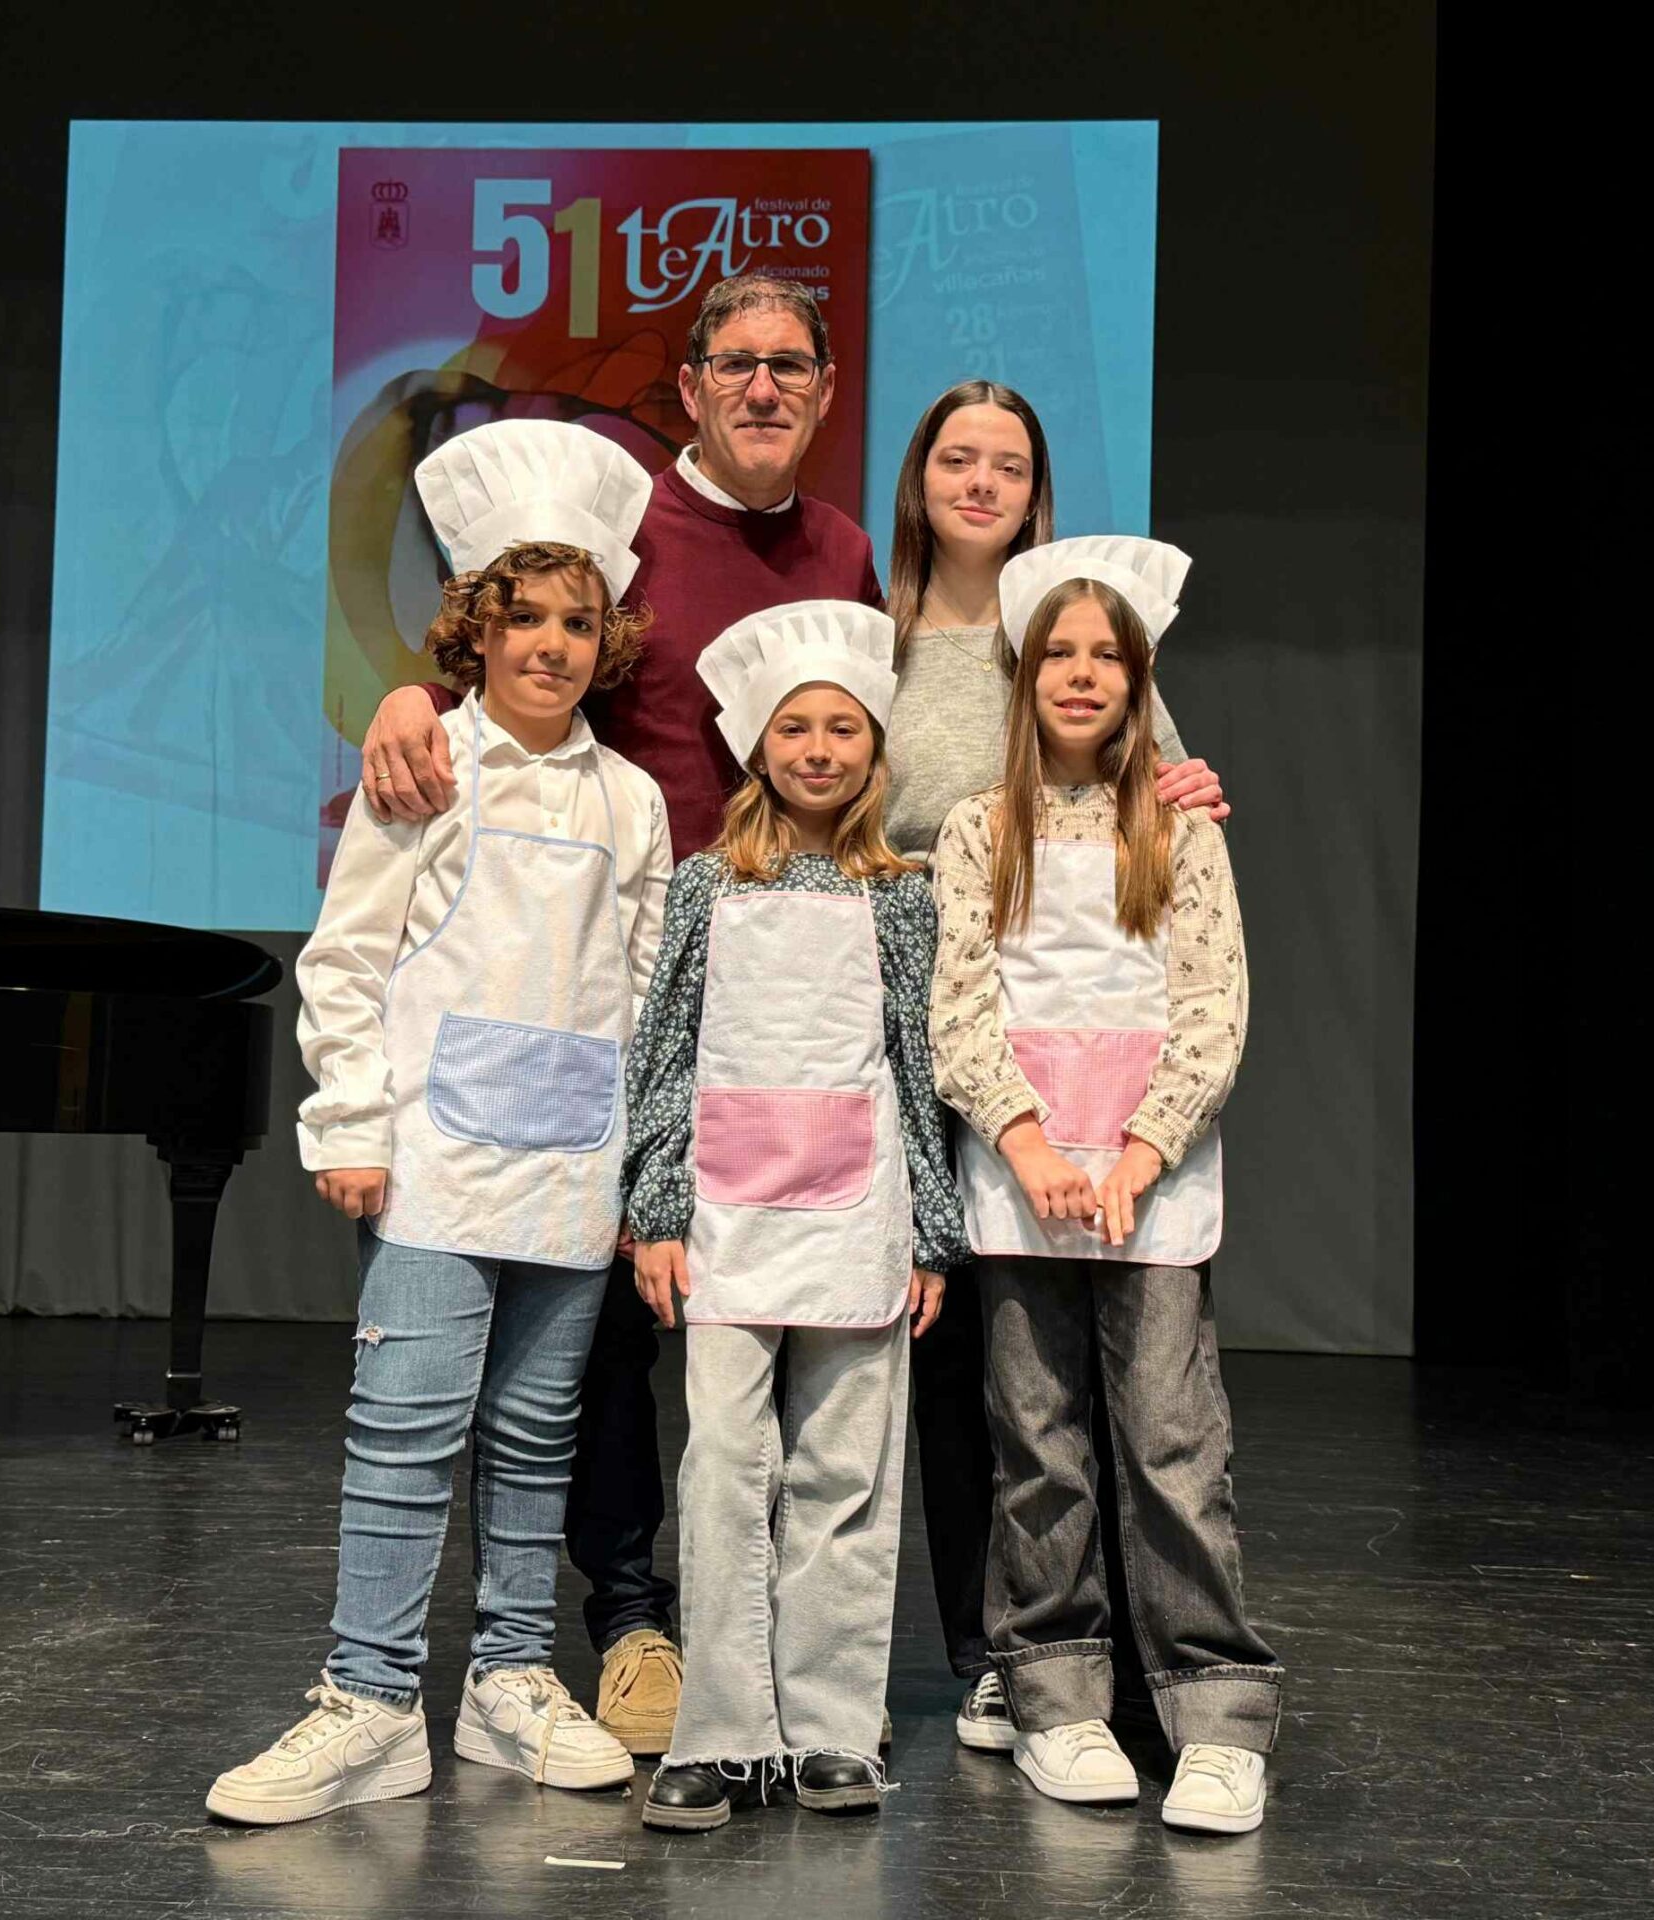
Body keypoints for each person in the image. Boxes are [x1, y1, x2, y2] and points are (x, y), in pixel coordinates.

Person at [354, 274, 887, 1755]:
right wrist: (409, 698)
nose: (764, 387)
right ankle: (631, 1615)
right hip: (625, 976)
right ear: (693, 386)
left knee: (765, 1312)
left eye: (792, 365)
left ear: (824, 390)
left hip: (792, 988)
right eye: (737, 363)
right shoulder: (629, 522)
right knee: (602, 1330)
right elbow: (517, 638)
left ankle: (760, 1628)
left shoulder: (846, 552)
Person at [205, 421, 673, 1824]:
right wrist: (350, 1122)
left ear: (606, 638)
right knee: (405, 1432)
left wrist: (644, 1172)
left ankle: (511, 1679)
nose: (551, 645)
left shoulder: (634, 800)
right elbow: (348, 957)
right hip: (435, 1161)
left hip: (574, 1167)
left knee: (534, 1437)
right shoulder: (424, 771)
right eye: (525, 618)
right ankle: (369, 1700)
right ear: (475, 628)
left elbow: (648, 994)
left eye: (577, 621)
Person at [875, 379, 1229, 1753]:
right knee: (967, 1353)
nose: (980, 482)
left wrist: (1194, 789)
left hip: (1074, 1018)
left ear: (1036, 491)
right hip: (914, 1001)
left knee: (1108, 1372)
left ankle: (1118, 1655)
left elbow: (1163, 792)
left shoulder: (1080, 626)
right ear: (919, 478)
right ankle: (999, 1651)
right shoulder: (876, 637)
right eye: (956, 458)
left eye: (1007, 464)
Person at [929, 537, 1283, 1835]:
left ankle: (1215, 1712)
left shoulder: (1178, 833)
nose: (1082, 676)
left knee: (1173, 1450)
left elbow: (1211, 1009)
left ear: (1138, 682)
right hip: (1022, 1184)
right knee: (1039, 1451)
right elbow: (960, 1006)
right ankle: (1056, 1697)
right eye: (1059, 656)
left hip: (1152, 1187)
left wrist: (1138, 1152)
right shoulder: (980, 829)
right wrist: (1029, 1146)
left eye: (1107, 658)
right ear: (1023, 679)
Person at [621, 601, 967, 1832]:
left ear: (875, 751)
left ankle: (829, 1727)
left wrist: (931, 1230)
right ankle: (721, 1733)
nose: (819, 750)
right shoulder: (706, 885)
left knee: (844, 1475)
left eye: (843, 729)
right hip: (726, 1216)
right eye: (795, 728)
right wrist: (657, 1205)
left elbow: (919, 1070)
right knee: (724, 1465)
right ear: (757, 747)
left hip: (859, 1215)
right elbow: (665, 1053)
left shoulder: (905, 896)